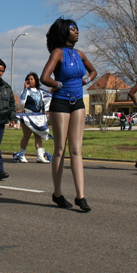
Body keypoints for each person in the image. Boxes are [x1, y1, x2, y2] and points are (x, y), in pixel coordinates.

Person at [40, 18, 97, 212]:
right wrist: (58, 85)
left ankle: (81, 196)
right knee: (59, 149)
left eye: (77, 29)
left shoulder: (79, 54)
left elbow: (93, 70)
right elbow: (44, 77)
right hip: (60, 103)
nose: (77, 32)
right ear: (64, 32)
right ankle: (57, 194)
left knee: (76, 149)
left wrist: (87, 80)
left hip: (78, 103)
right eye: (73, 29)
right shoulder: (57, 53)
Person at [15, 72, 49, 164]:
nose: (30, 81)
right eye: (28, 79)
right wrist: (25, 89)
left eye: (32, 79)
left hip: (38, 116)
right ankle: (22, 154)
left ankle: (40, 156)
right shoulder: (26, 91)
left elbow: (44, 103)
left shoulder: (40, 91)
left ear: (36, 80)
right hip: (27, 116)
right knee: (27, 136)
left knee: (38, 135)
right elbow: (22, 102)